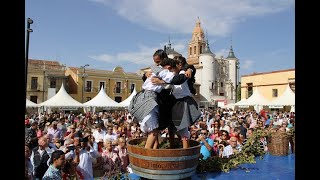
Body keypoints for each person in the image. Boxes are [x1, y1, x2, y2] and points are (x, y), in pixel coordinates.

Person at [129, 57, 177, 149]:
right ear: (169, 67)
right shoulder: (164, 72)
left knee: (152, 130)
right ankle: (146, 155)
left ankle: (153, 151)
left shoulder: (155, 71)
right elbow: (175, 79)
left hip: (142, 97)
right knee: (154, 131)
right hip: (149, 99)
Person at [169, 56, 201, 148]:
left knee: (183, 129)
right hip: (175, 103)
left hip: (183, 103)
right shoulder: (173, 73)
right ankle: (173, 147)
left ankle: (185, 152)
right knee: (172, 128)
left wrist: (190, 69)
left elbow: (191, 69)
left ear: (179, 65)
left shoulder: (183, 73)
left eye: (174, 65)